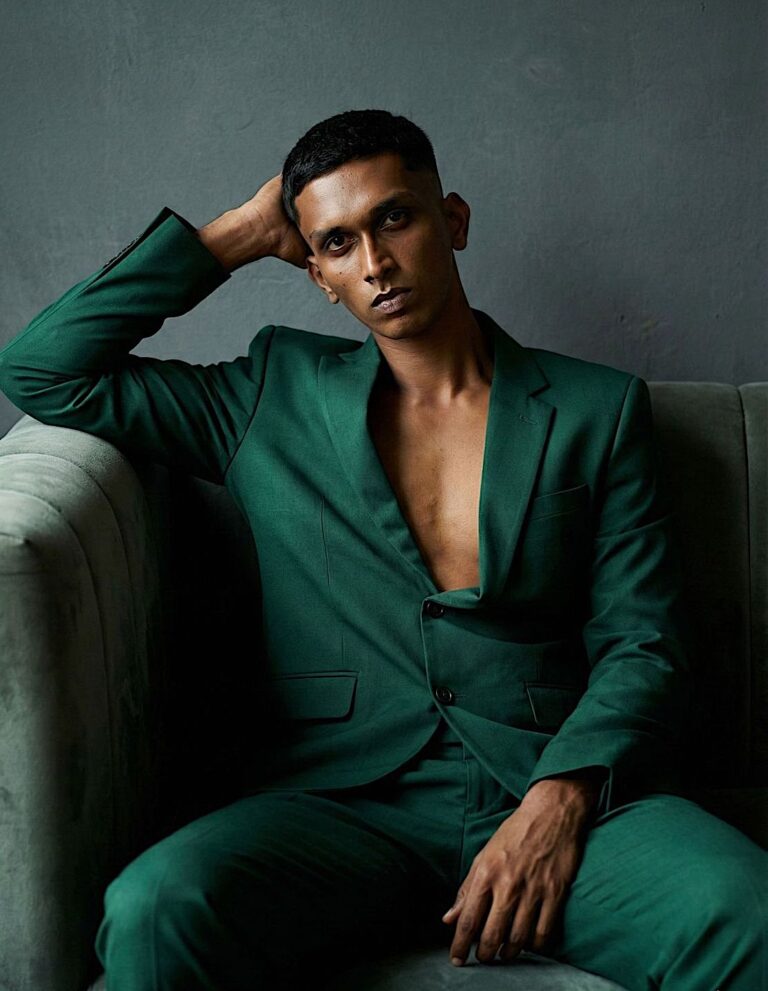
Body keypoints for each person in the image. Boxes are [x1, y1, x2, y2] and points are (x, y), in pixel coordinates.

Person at [0, 108, 765, 991]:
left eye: (394, 218)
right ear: (318, 274)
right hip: (341, 807)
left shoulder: (597, 409)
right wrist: (239, 233)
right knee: (157, 906)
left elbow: (644, 640)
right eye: (337, 243)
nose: (374, 262)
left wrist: (560, 799)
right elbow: (43, 368)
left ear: (454, 220)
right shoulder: (270, 395)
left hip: (547, 784)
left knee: (749, 912)